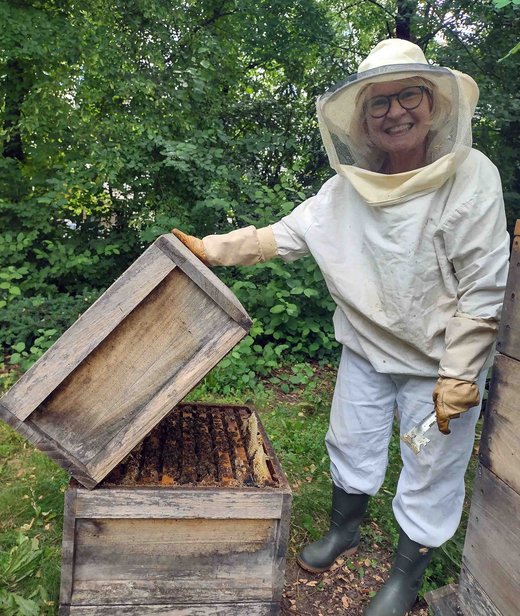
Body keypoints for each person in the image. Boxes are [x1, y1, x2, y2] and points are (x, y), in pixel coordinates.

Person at [171, 39, 510, 616]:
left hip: (440, 363)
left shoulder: (471, 176)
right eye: (379, 103)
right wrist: (212, 248)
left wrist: (461, 372)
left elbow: (484, 282)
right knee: (351, 441)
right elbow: (282, 235)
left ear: (434, 103)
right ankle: (344, 532)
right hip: (365, 353)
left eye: (409, 95)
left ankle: (405, 577)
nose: (395, 112)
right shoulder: (346, 188)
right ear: (362, 120)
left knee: (432, 469)